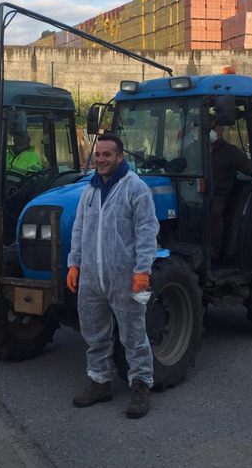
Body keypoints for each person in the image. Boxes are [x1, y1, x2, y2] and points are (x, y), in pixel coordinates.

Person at [66, 134, 159, 419]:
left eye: (108, 155)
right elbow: (79, 231)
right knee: (94, 333)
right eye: (98, 155)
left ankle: (141, 385)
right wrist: (74, 264)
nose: (102, 159)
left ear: (120, 157)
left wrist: (142, 270)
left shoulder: (136, 189)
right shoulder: (89, 192)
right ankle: (99, 382)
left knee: (133, 334)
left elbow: (146, 231)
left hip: (124, 276)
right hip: (93, 278)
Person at [209, 121, 252, 266]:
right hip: (197, 192)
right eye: (207, 127)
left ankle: (213, 254)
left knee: (214, 212)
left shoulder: (229, 151)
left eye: (213, 127)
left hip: (220, 194)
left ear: (220, 130)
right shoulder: (196, 149)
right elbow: (182, 163)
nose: (210, 130)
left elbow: (243, 163)